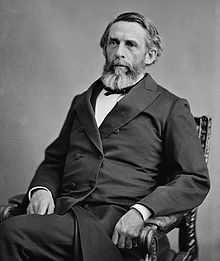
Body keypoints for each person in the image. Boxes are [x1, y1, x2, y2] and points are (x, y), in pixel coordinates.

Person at [0, 12, 210, 261]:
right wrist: (41, 189)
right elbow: (55, 161)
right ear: (105, 49)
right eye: (114, 42)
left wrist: (141, 212)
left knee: (11, 234)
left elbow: (193, 178)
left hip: (117, 223)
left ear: (150, 55)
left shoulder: (171, 106)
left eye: (130, 44)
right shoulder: (82, 101)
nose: (119, 52)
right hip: (67, 211)